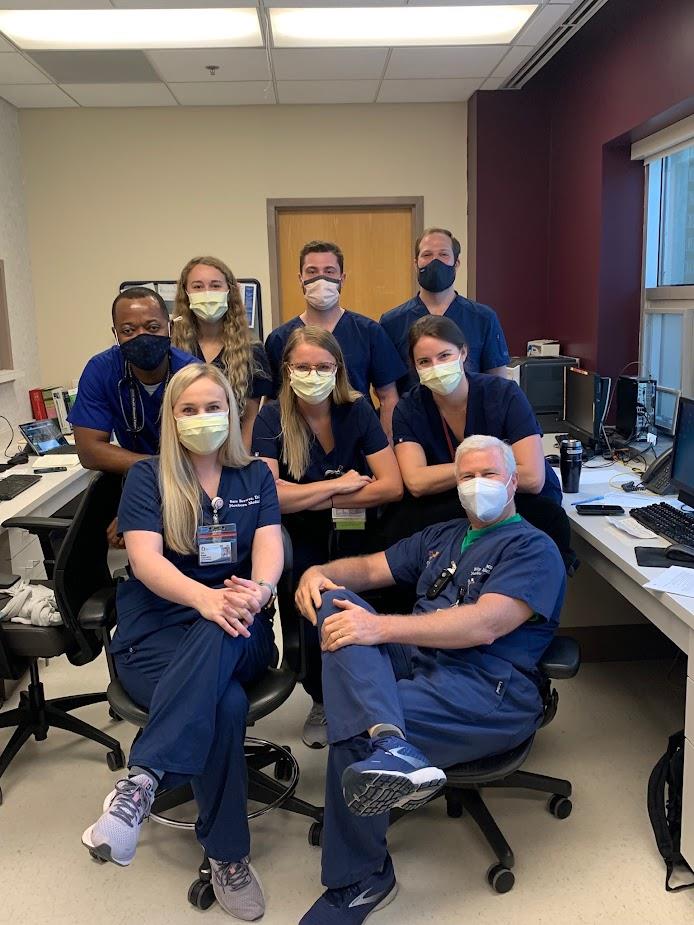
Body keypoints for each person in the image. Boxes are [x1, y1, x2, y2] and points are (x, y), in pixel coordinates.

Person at [294, 435, 567, 924]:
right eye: (466, 476)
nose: (477, 484)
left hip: (488, 686)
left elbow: (485, 624)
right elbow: (367, 568)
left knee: (353, 729)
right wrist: (318, 571)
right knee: (337, 605)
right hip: (420, 660)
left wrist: (380, 626)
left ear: (511, 482)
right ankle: (392, 741)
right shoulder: (441, 536)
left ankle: (363, 878)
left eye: (488, 474)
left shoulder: (533, 548)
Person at [82, 363, 282, 921]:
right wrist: (205, 599)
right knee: (225, 703)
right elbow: (144, 561)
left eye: (213, 407)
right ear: (172, 418)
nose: (202, 418)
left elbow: (270, 548)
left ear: (233, 414)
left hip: (242, 624)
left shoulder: (256, 477)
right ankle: (229, 857)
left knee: (222, 643)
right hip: (158, 631)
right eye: (188, 409)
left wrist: (260, 591)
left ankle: (141, 781)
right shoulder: (148, 478)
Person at [252, 325, 403, 749]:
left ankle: (373, 697)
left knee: (367, 605)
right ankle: (321, 699)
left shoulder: (356, 410)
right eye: (303, 366)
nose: (313, 374)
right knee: (310, 609)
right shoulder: (270, 417)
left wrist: (310, 497)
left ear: (338, 369)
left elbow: (391, 485)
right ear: (287, 370)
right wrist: (342, 486)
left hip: (359, 529)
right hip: (301, 535)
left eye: (323, 366)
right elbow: (270, 497)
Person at [383, 314, 561, 541]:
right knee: (400, 526)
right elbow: (416, 481)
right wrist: (487, 471)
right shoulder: (409, 409)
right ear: (415, 366)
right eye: (424, 362)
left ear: (463, 353)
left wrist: (463, 474)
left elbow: (532, 478)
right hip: (457, 505)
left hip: (517, 502)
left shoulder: (504, 395)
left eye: (444, 356)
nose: (436, 368)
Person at [69, 286, 200, 547]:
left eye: (153, 327)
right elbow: (89, 451)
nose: (142, 337)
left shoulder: (192, 374)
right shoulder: (102, 369)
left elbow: (205, 456)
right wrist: (155, 471)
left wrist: (136, 514)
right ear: (115, 335)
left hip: (190, 483)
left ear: (170, 328)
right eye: (129, 331)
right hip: (138, 478)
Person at [264, 240, 406, 442]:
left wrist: (384, 448)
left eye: (329, 271)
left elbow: (388, 397)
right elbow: (271, 401)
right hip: (298, 444)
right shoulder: (280, 338)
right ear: (300, 279)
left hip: (358, 440)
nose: (321, 278)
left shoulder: (369, 332)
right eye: (312, 271)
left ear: (342, 278)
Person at [380, 227, 510, 394]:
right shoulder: (392, 322)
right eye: (427, 255)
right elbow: (387, 390)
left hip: (471, 415)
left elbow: (497, 382)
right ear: (415, 264)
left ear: (456, 264)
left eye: (443, 254)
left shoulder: (483, 318)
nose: (435, 261)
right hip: (413, 416)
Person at [171, 256, 273, 448]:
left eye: (215, 285)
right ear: (186, 293)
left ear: (229, 291)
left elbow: (250, 420)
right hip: (181, 455)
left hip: (231, 453)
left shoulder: (252, 351)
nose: (207, 293)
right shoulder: (171, 348)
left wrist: (240, 463)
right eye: (198, 287)